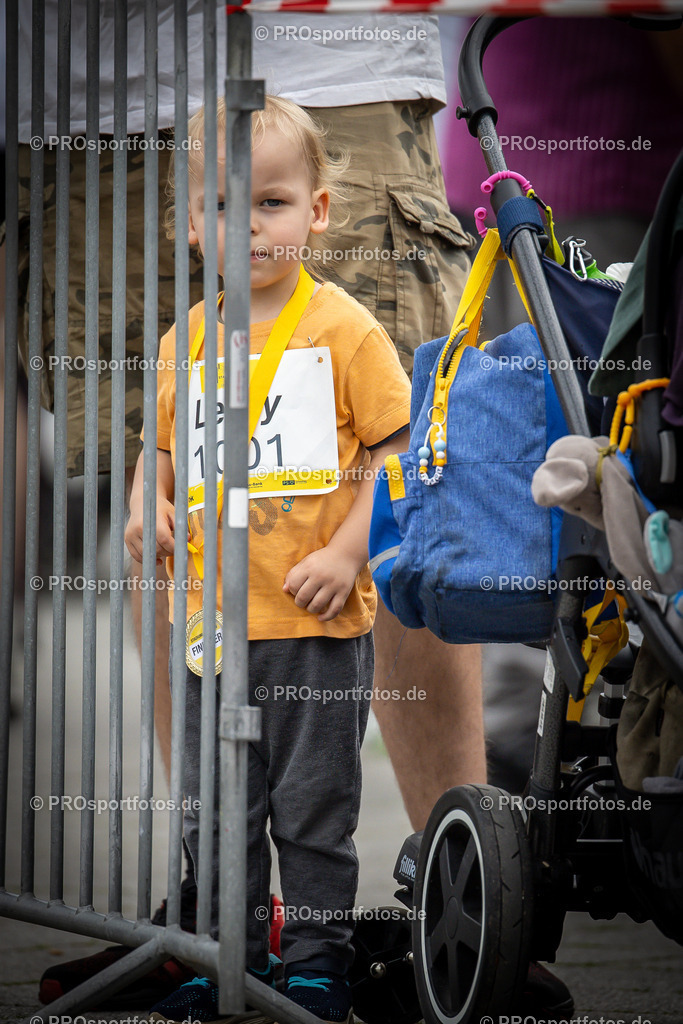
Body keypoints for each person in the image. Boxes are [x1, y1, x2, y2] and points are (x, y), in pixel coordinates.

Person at [125, 95, 412, 1024]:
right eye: (220, 205)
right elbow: (159, 455)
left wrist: (345, 547)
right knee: (220, 816)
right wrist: (145, 508)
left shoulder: (345, 330)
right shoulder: (187, 343)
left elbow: (399, 452)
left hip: (311, 627)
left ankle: (320, 966)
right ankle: (225, 964)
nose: (246, 223)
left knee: (312, 810)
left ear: (318, 212)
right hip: (212, 628)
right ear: (190, 225)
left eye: (273, 202)